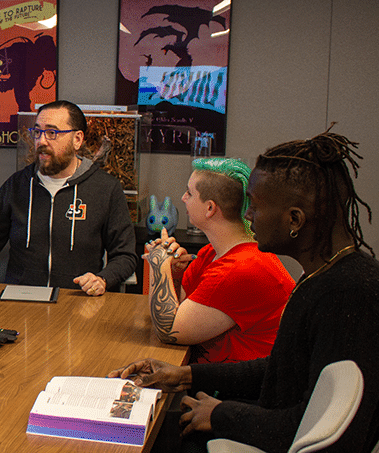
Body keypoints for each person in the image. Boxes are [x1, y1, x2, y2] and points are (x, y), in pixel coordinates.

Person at [109, 130, 379, 452]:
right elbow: (280, 368)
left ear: (295, 219)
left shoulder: (347, 295)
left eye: (256, 207)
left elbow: (315, 426)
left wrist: (222, 414)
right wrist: (185, 375)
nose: (247, 215)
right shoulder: (325, 277)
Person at [0, 100, 136, 295]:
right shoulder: (16, 185)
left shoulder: (105, 188)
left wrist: (103, 279)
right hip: (21, 302)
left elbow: (125, 256)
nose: (41, 141)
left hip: (76, 301)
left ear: (77, 139)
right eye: (37, 132)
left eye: (52, 133)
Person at [143, 158, 294, 363]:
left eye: (189, 193)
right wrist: (173, 272)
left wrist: (159, 263)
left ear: (210, 208)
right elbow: (180, 308)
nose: (183, 198)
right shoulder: (212, 252)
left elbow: (169, 330)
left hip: (240, 392)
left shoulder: (240, 268)